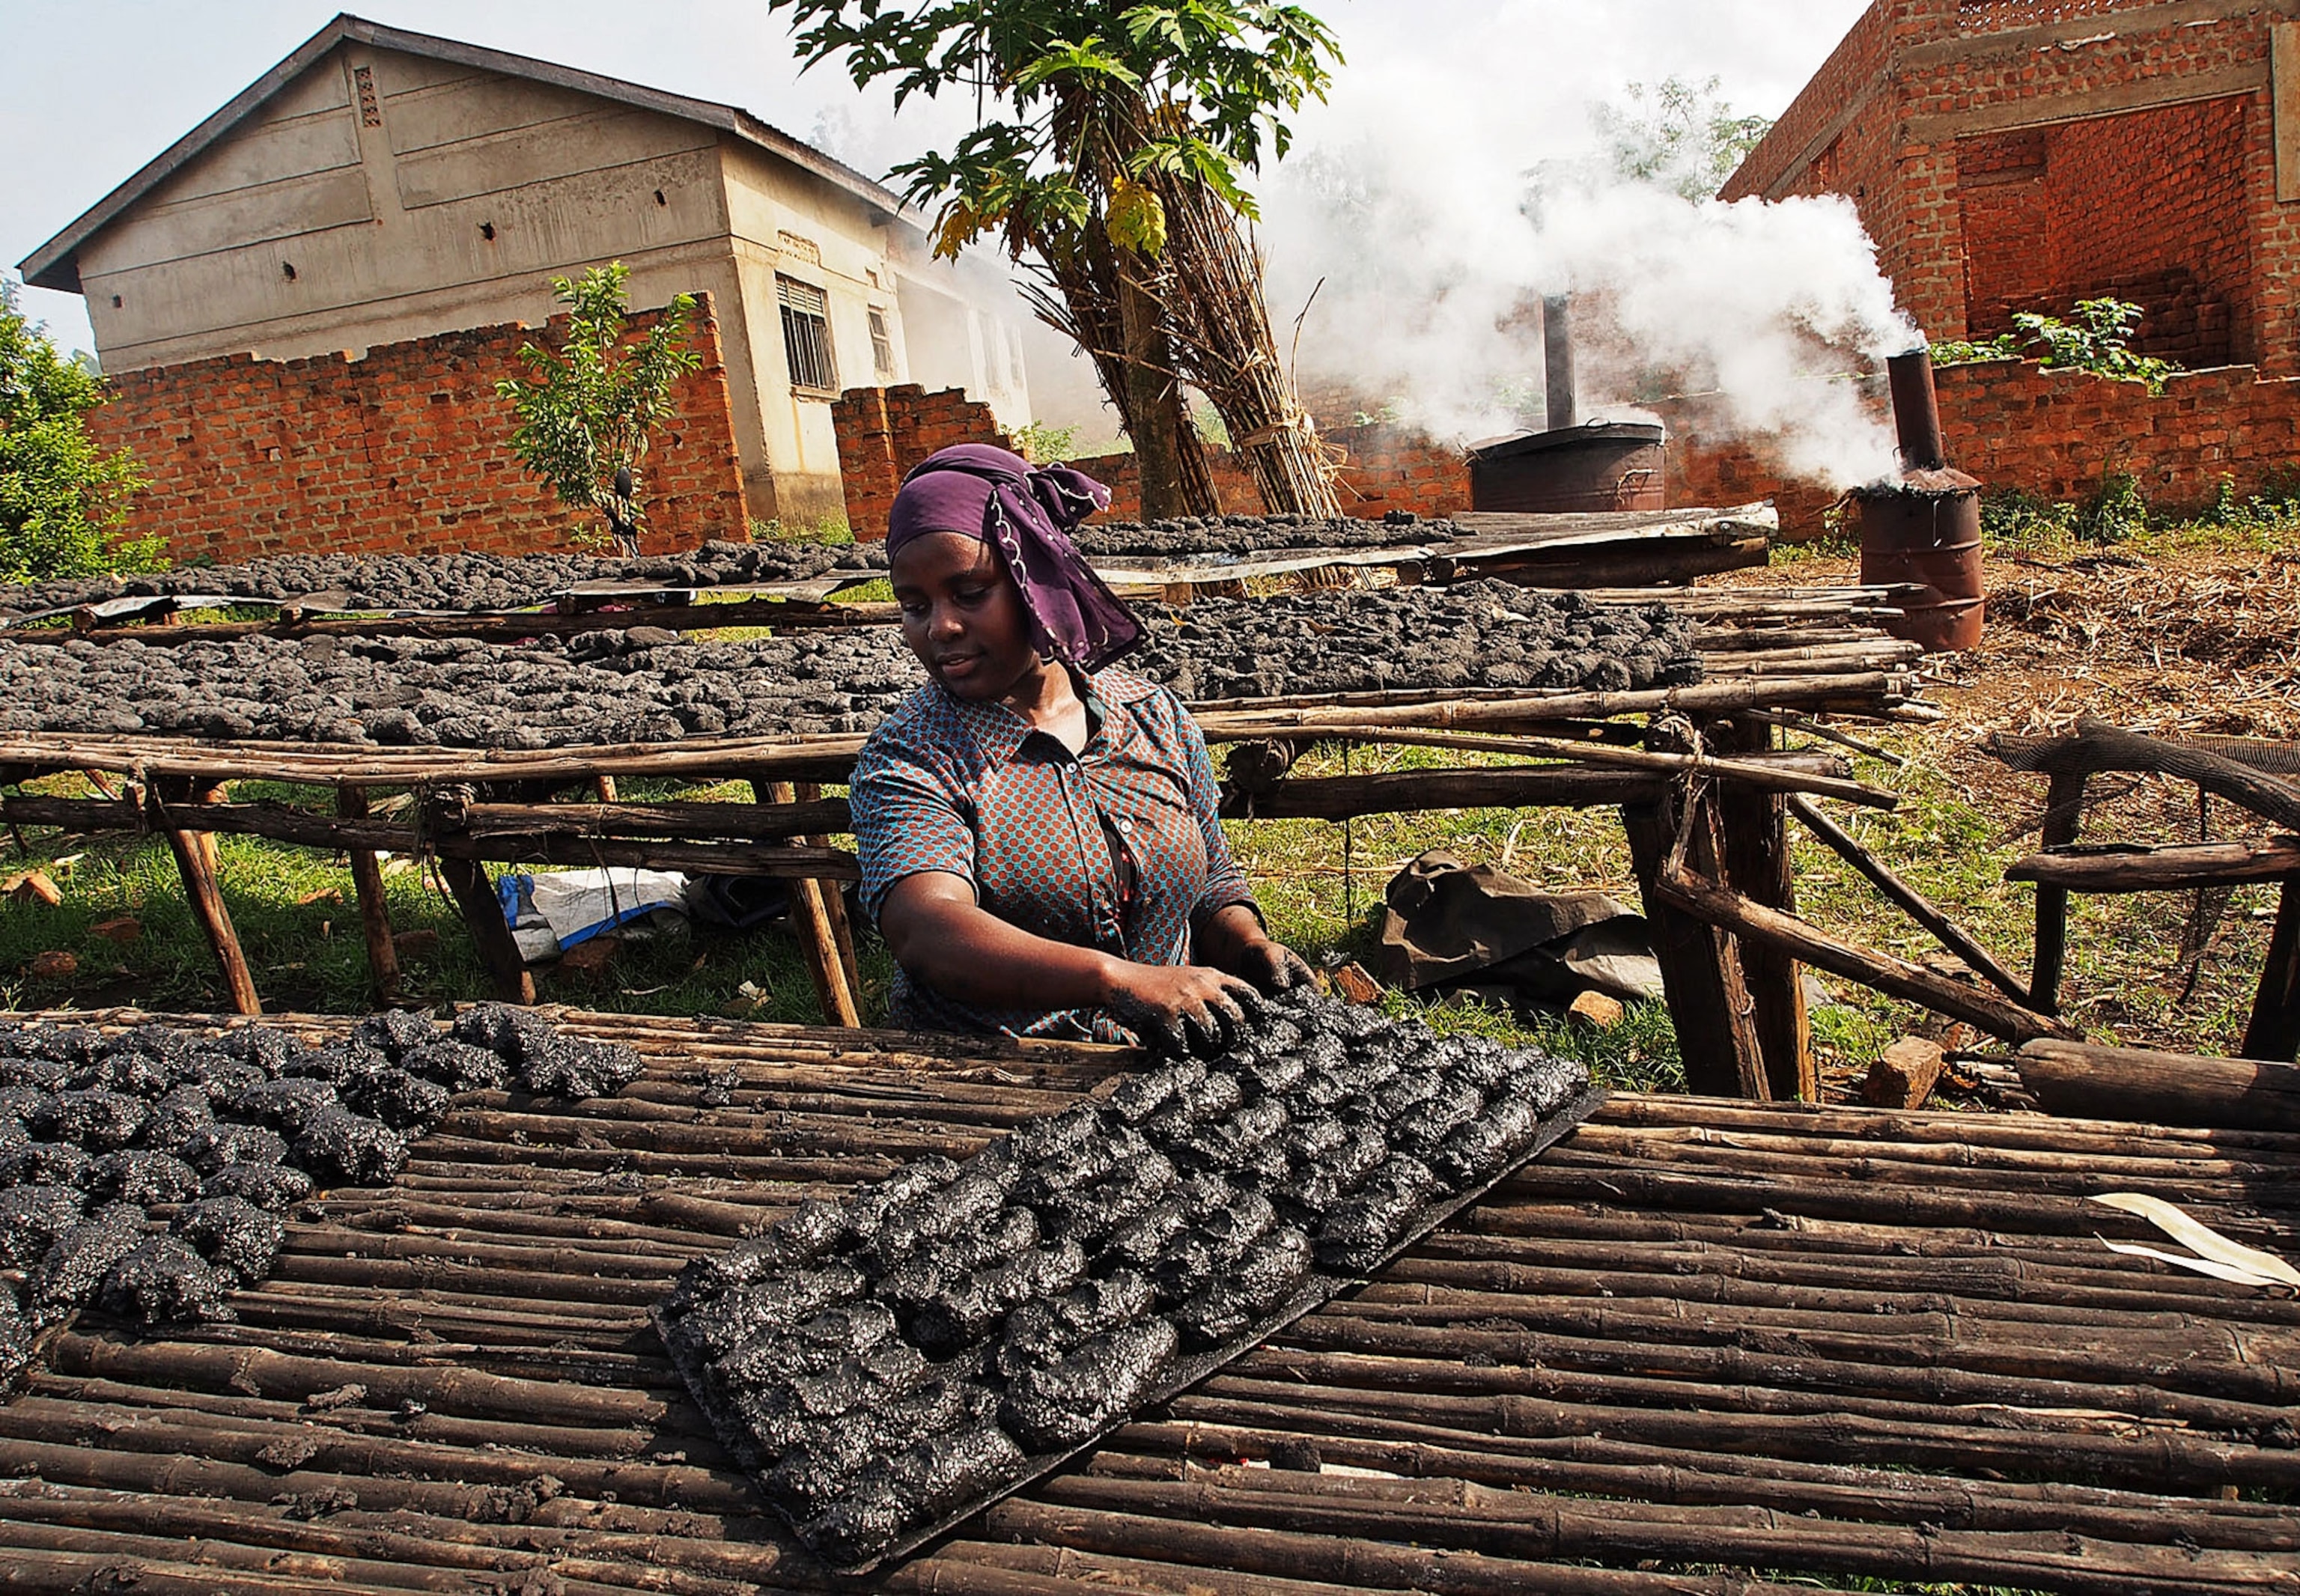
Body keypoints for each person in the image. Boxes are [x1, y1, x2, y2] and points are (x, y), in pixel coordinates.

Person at [848, 443, 1314, 1054]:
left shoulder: (1154, 719)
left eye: (969, 593)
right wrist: (1114, 980)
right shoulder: (912, 756)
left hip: (1171, 1058)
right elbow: (927, 929)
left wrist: (1247, 942)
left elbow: (1211, 879)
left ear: (1036, 580)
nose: (940, 627)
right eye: (915, 605)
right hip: (998, 1072)